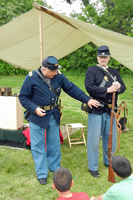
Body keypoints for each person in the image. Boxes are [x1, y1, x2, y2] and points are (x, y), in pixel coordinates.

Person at [19, 56, 99, 185]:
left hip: (53, 114)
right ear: (44, 69)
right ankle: (42, 174)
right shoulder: (31, 77)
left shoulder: (58, 76)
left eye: (56, 70)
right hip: (37, 116)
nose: (55, 73)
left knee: (54, 144)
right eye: (53, 71)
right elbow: (23, 97)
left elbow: (72, 89)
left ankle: (55, 169)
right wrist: (34, 109)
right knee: (38, 146)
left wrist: (87, 99)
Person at [85, 45, 126, 178]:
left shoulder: (114, 72)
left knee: (111, 139)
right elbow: (89, 87)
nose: (103, 59)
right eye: (101, 57)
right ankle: (93, 167)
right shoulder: (91, 70)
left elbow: (123, 86)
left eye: (105, 57)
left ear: (109, 58)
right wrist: (107, 90)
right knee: (94, 140)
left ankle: (109, 162)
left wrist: (118, 87)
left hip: (111, 111)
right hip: (97, 109)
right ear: (97, 57)